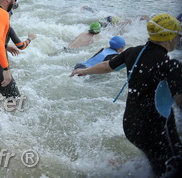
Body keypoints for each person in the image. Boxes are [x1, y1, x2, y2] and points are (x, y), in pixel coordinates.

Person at [71, 14, 182, 176]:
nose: (179, 39)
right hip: (156, 129)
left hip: (131, 125)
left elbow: (106, 66)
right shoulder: (171, 65)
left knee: (154, 158)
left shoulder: (133, 52)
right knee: (172, 163)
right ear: (170, 37)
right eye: (179, 35)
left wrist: (84, 71)